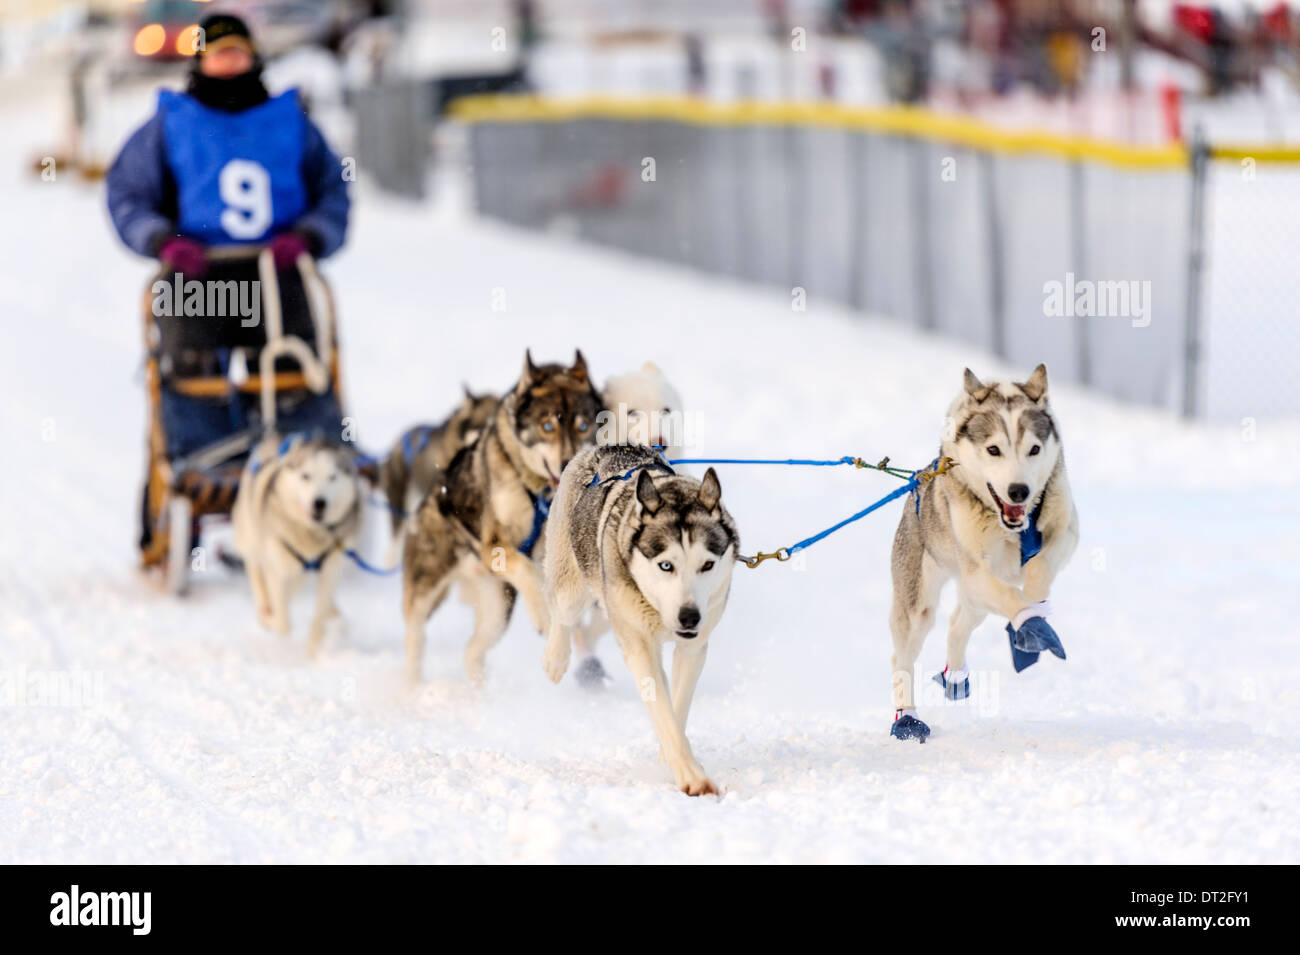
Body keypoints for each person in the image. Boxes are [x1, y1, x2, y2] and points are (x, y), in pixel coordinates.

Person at [107, 13, 350, 461]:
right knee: (193, 375)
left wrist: (311, 236)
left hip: (277, 269)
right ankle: (205, 463)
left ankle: (309, 459)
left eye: (237, 51)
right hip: (198, 272)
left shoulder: (290, 121)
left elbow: (334, 189)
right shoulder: (171, 123)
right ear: (201, 61)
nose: (229, 61)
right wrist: (161, 240)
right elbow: (127, 192)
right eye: (218, 54)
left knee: (295, 369)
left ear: (253, 56)